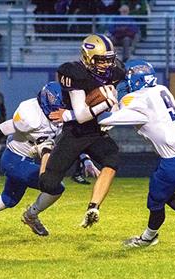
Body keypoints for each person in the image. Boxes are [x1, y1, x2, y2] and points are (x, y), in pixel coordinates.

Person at [0, 82, 100, 237]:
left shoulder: (63, 115)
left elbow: (71, 140)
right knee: (55, 187)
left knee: (9, 199)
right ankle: (31, 215)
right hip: (15, 159)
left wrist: (86, 159)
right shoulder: (30, 115)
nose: (60, 112)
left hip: (28, 160)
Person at [97, 60, 175, 249]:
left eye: (130, 79)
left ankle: (148, 238)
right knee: (164, 193)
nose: (128, 83)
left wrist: (110, 101)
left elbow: (105, 120)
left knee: (155, 203)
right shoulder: (162, 89)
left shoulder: (139, 99)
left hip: (173, 162)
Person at [40, 34, 125, 229]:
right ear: (87, 57)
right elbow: (81, 115)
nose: (106, 65)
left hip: (95, 131)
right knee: (49, 185)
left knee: (112, 159)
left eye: (109, 60)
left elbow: (113, 98)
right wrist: (105, 104)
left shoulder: (116, 71)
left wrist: (113, 108)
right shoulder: (74, 73)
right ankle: (45, 150)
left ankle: (93, 208)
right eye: (101, 60)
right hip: (75, 132)